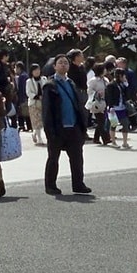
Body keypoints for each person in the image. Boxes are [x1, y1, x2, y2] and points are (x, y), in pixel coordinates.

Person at [41, 55, 91, 196]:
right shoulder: (50, 85)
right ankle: (50, 185)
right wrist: (49, 130)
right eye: (60, 63)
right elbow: (46, 110)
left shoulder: (71, 83)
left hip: (73, 126)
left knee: (77, 157)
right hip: (58, 127)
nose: (63, 65)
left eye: (66, 63)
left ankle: (78, 184)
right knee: (53, 158)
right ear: (54, 66)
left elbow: (78, 105)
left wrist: (82, 126)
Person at [24, 63, 45, 146]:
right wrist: (36, 96)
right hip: (33, 103)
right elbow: (28, 92)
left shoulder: (44, 79)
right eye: (35, 70)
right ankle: (39, 138)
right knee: (36, 120)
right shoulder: (29, 81)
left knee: (42, 120)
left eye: (38, 70)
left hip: (43, 102)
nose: (37, 72)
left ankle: (35, 133)